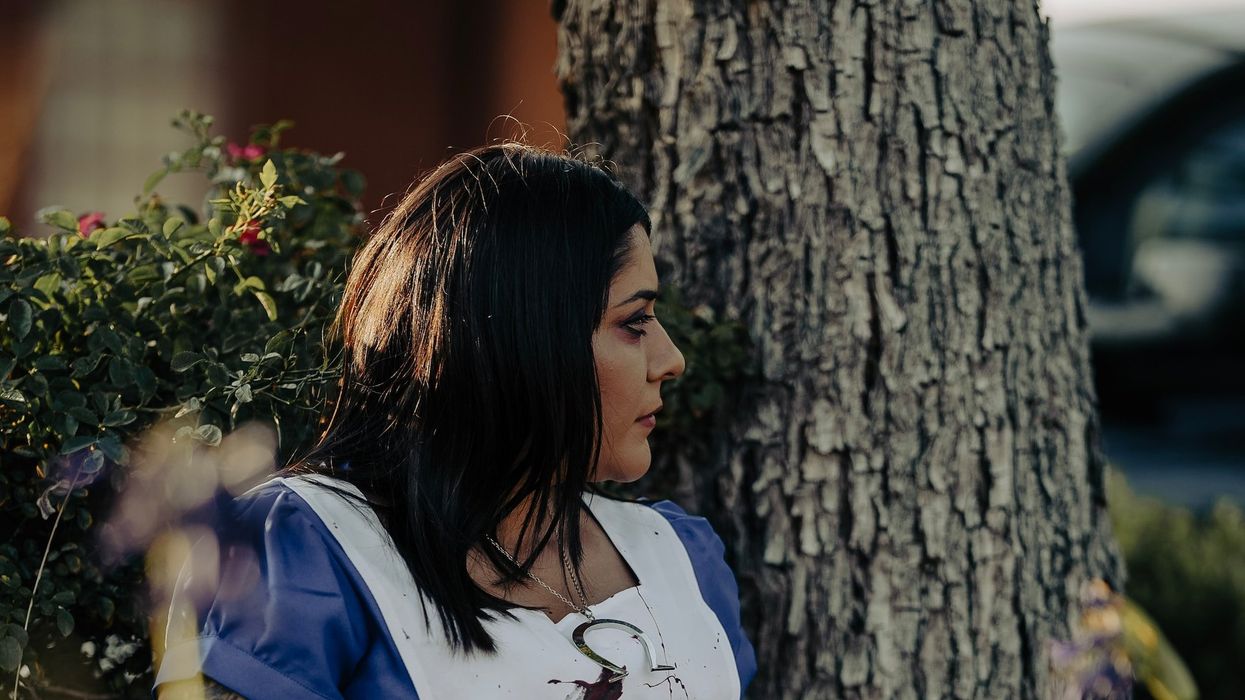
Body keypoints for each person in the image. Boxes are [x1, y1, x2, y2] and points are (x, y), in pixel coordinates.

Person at [153, 143, 757, 698]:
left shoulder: (681, 559)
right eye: (634, 321)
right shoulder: (308, 552)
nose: (671, 360)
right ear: (525, 337)